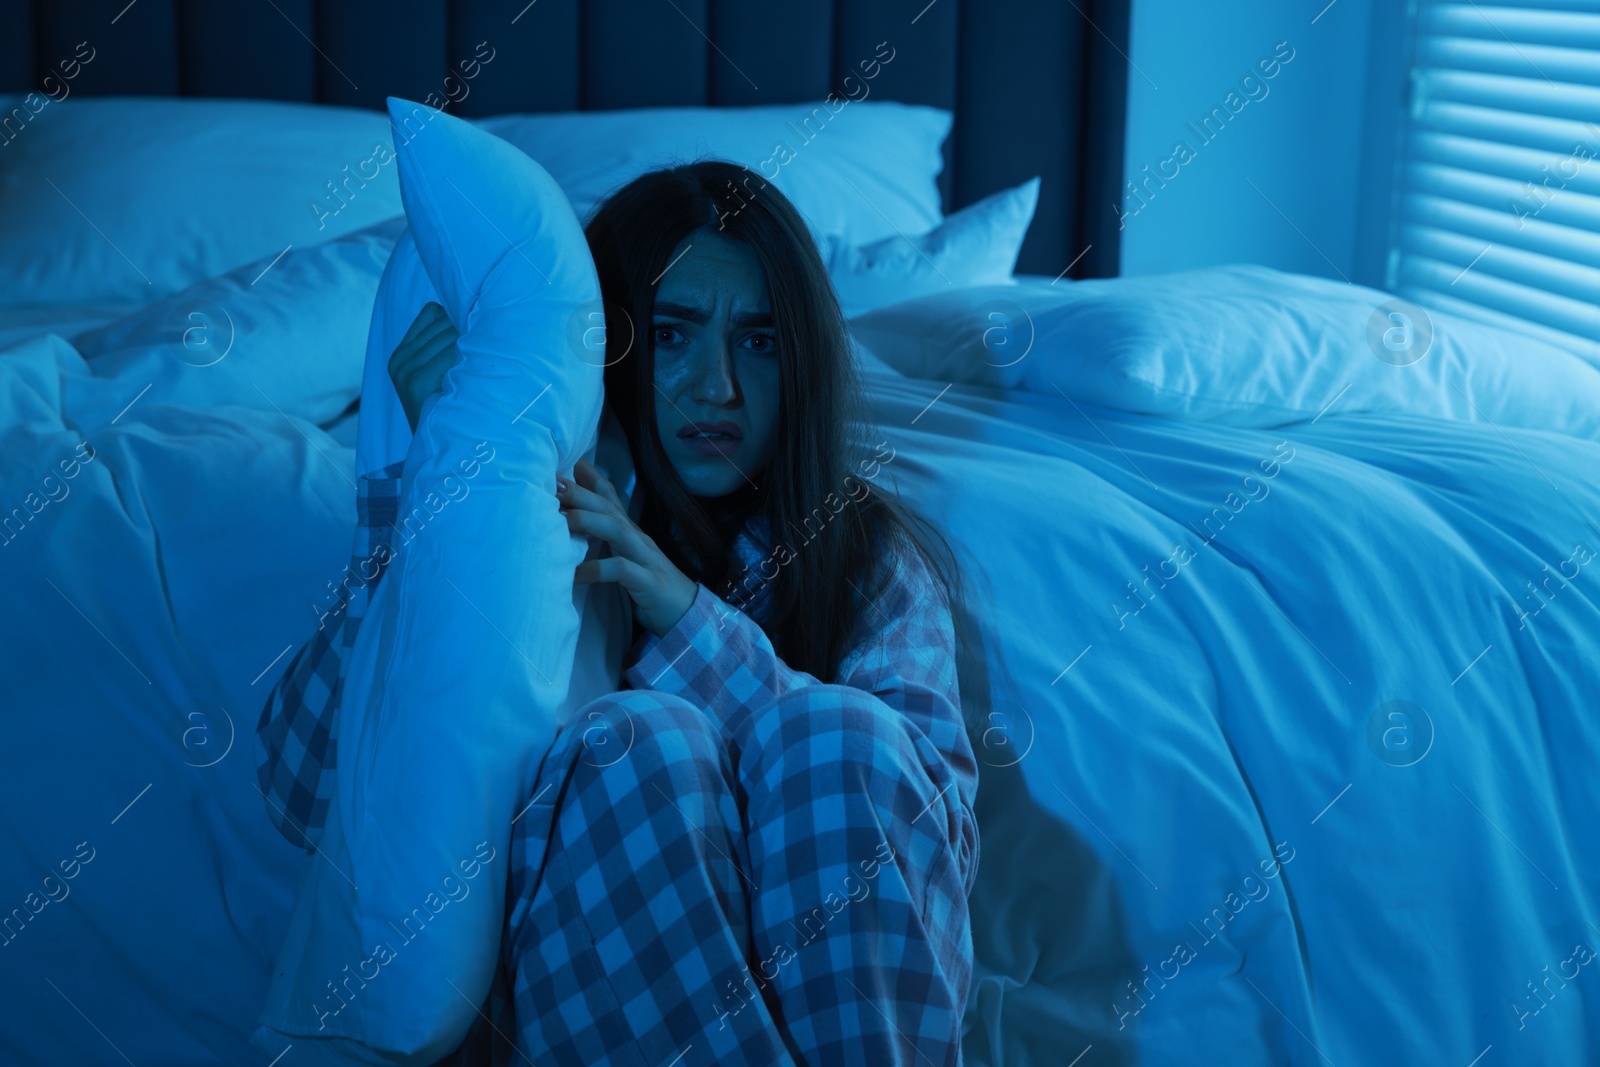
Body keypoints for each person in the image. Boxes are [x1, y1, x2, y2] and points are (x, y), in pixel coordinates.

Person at [256, 159, 980, 1066]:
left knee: (837, 735)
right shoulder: (527, 534)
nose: (716, 387)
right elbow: (301, 793)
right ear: (611, 346)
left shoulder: (867, 553)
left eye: (758, 342)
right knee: (637, 744)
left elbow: (936, 822)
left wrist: (687, 620)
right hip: (580, 998)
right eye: (673, 335)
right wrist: (441, 498)